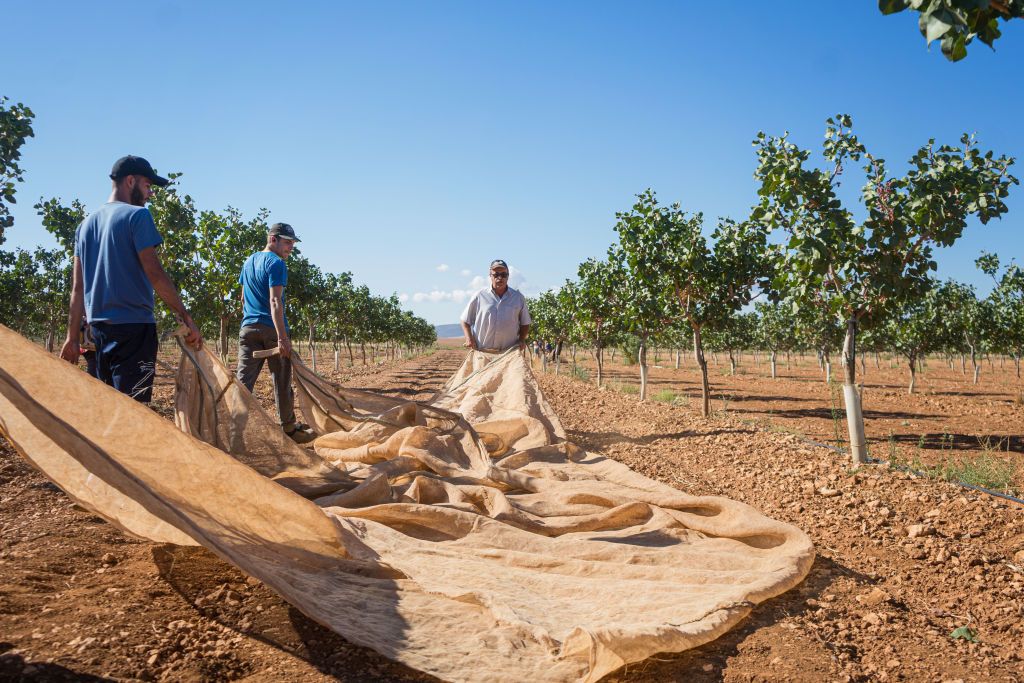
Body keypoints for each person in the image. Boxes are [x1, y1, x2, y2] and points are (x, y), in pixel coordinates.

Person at [60, 155, 201, 402]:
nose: (150, 194)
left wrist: (72, 338)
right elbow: (155, 273)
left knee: (109, 407)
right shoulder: (138, 217)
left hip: (97, 331)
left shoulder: (84, 226)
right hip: (134, 329)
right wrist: (184, 315)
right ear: (130, 181)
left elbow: (77, 288)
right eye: (148, 186)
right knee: (135, 410)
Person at [235, 223, 315, 443]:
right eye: (287, 242)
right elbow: (274, 301)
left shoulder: (248, 261)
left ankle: (234, 432)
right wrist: (282, 337)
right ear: (273, 239)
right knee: (281, 380)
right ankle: (289, 430)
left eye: (293, 243)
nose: (291, 247)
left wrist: (251, 317)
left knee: (243, 383)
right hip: (271, 329)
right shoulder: (276, 263)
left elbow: (242, 298)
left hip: (247, 329)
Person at [460, 259, 531, 352]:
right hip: (482, 352)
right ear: (490, 276)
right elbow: (465, 320)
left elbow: (525, 323)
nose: (500, 278)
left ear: (508, 276)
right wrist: (469, 338)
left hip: (509, 354)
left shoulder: (518, 298)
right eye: (496, 274)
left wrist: (521, 340)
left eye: (503, 275)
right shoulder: (480, 296)